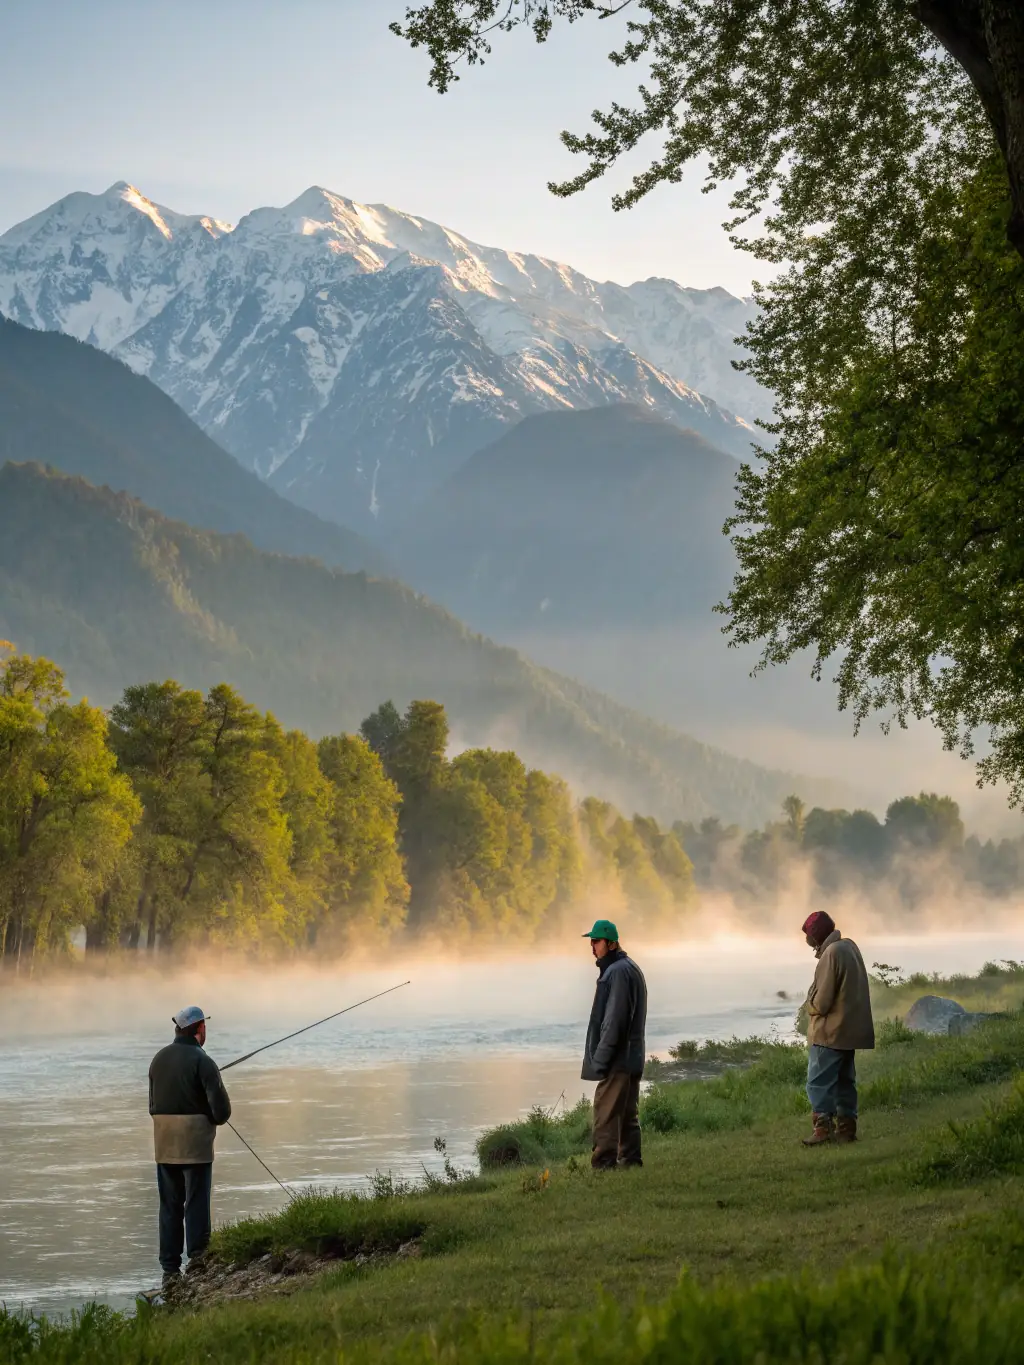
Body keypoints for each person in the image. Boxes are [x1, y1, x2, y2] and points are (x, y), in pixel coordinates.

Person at [148, 1006, 232, 1291]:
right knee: (195, 1201)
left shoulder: (158, 1059)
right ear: (200, 1028)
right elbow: (221, 1112)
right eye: (204, 1027)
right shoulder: (203, 1061)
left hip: (163, 1142)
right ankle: (198, 1260)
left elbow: (152, 1107)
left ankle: (169, 1270)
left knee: (169, 1205)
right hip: (194, 1143)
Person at [801, 911, 875, 1146]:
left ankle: (822, 1130)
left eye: (810, 937)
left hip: (829, 1034)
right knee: (844, 1082)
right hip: (848, 1031)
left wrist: (808, 1005)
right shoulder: (849, 947)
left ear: (817, 935)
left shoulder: (831, 954)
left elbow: (821, 1003)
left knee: (818, 1083)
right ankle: (847, 1130)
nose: (809, 943)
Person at [580, 919, 647, 1169]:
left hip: (619, 1058)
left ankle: (603, 1165)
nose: (592, 947)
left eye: (596, 941)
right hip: (633, 1056)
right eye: (591, 941)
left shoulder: (617, 972)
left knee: (606, 1112)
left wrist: (601, 1059)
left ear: (611, 943)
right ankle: (630, 1162)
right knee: (628, 1113)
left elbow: (613, 1023)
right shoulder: (629, 967)